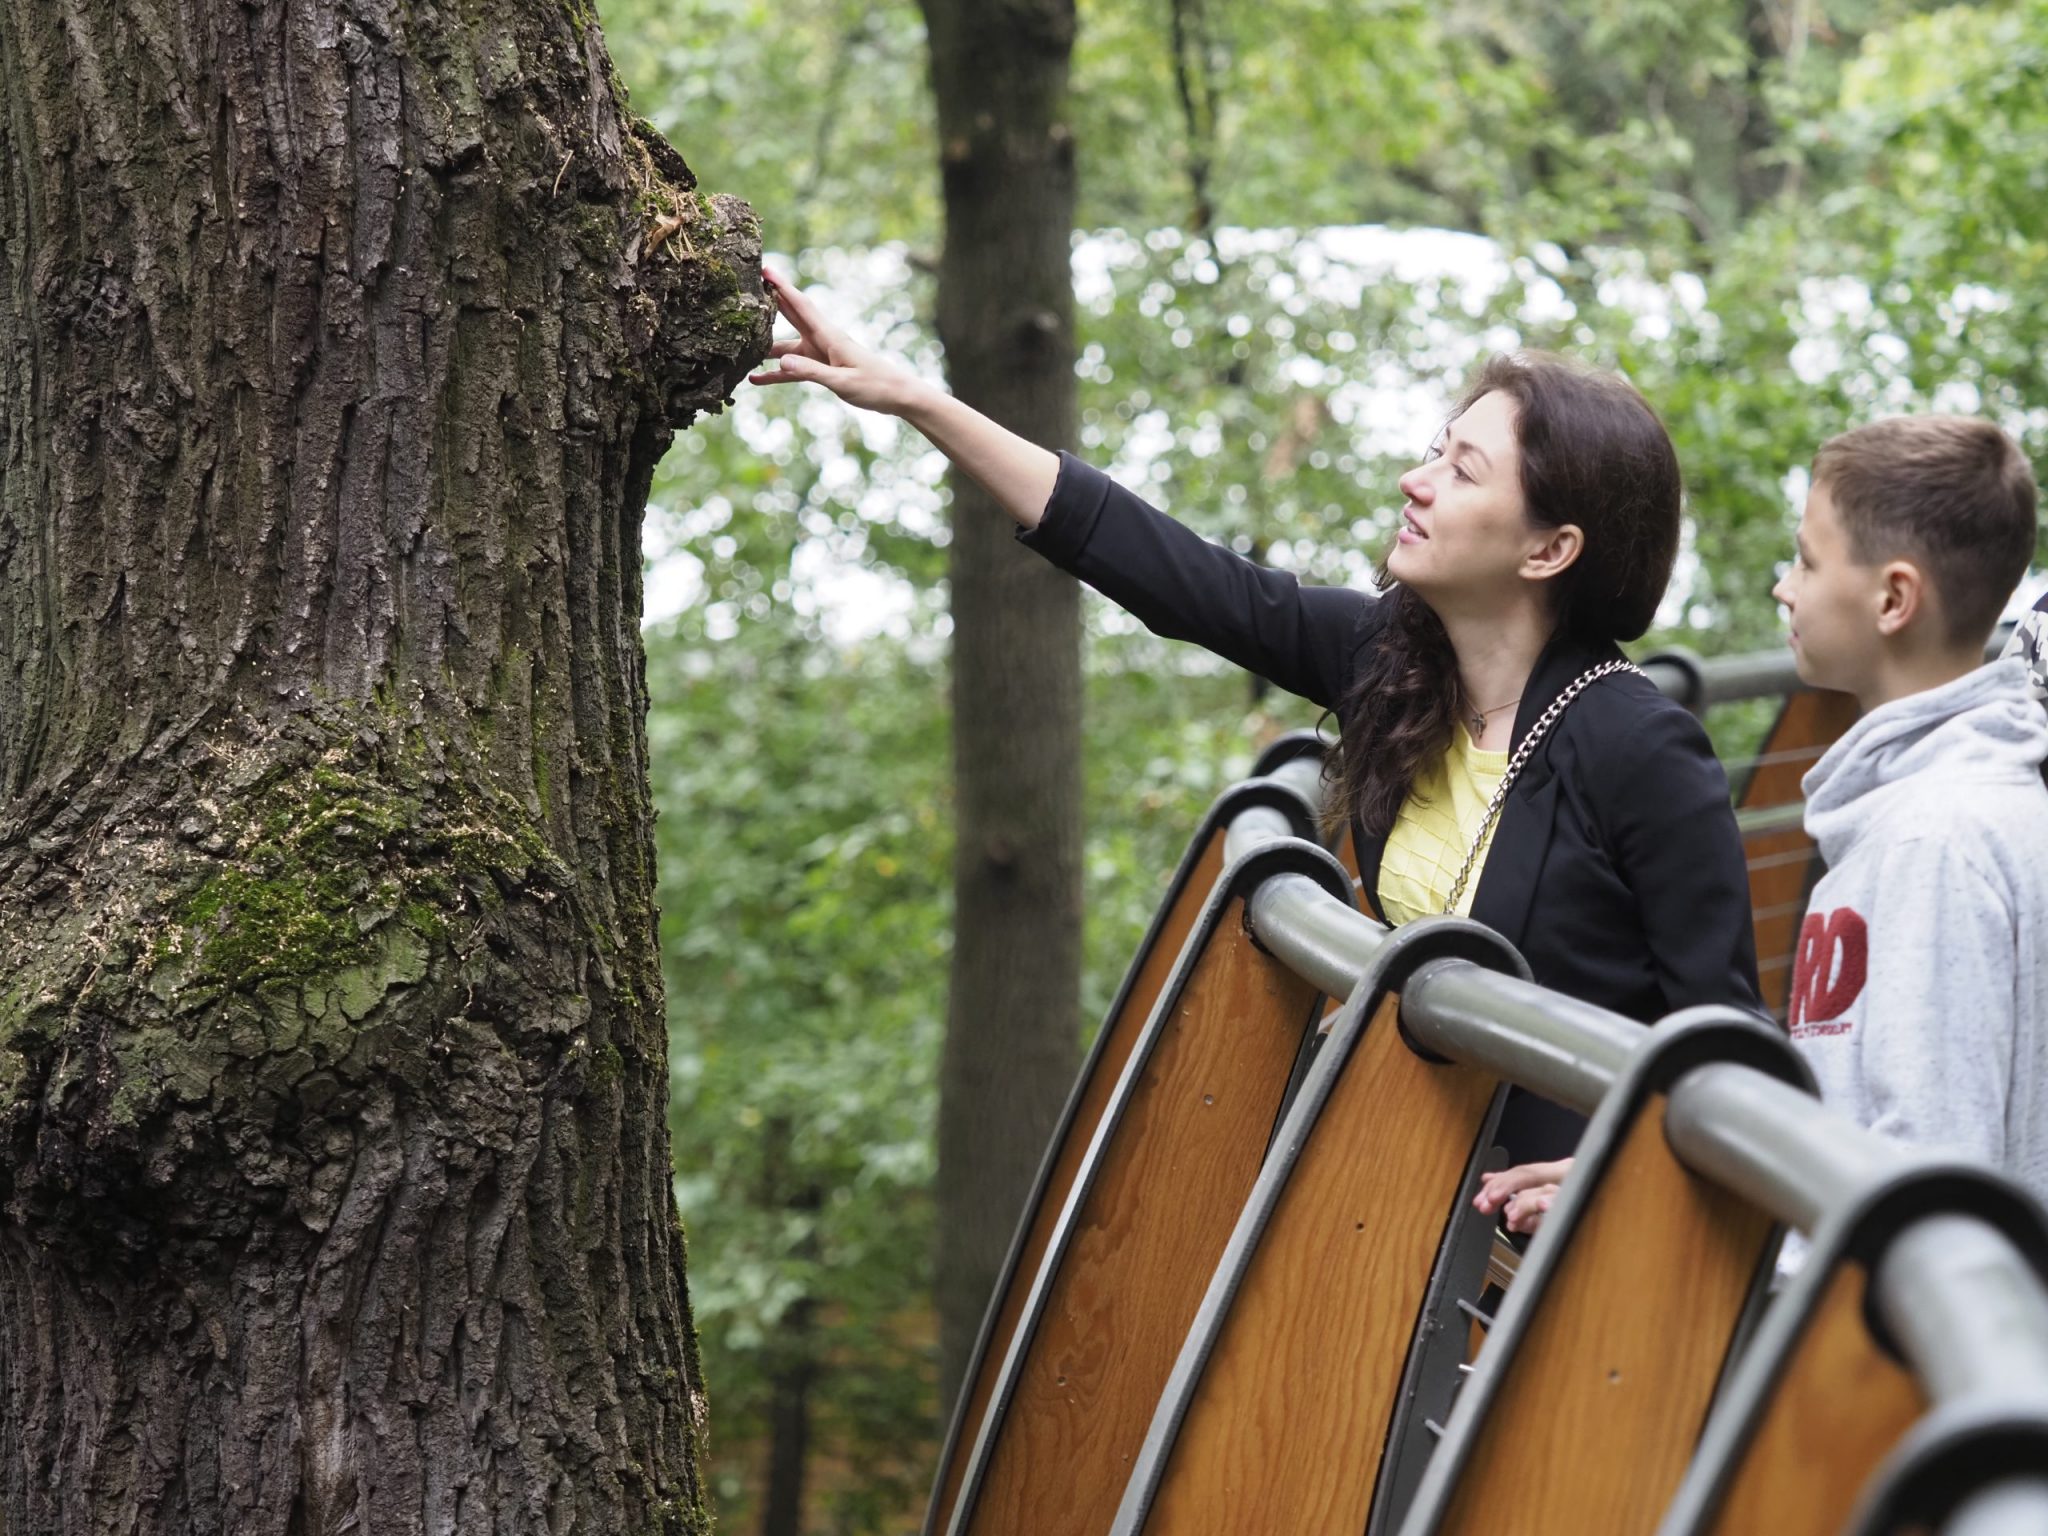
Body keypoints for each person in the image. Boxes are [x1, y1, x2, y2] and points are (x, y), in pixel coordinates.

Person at [751, 269, 1762, 1167]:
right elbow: (1162, 567)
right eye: (1431, 452)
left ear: (1548, 551)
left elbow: (1730, 1044)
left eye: (1460, 472)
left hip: (1569, 1248)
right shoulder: (1389, 664)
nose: (1413, 482)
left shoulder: (1636, 743)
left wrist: (1607, 1174)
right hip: (1414, 1193)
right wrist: (915, 399)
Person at [1763, 416, 2048, 1203]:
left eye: (1807, 560)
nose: (1785, 584)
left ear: (1893, 598)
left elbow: (1927, 1179)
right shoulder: (1928, 812)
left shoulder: (1936, 842)